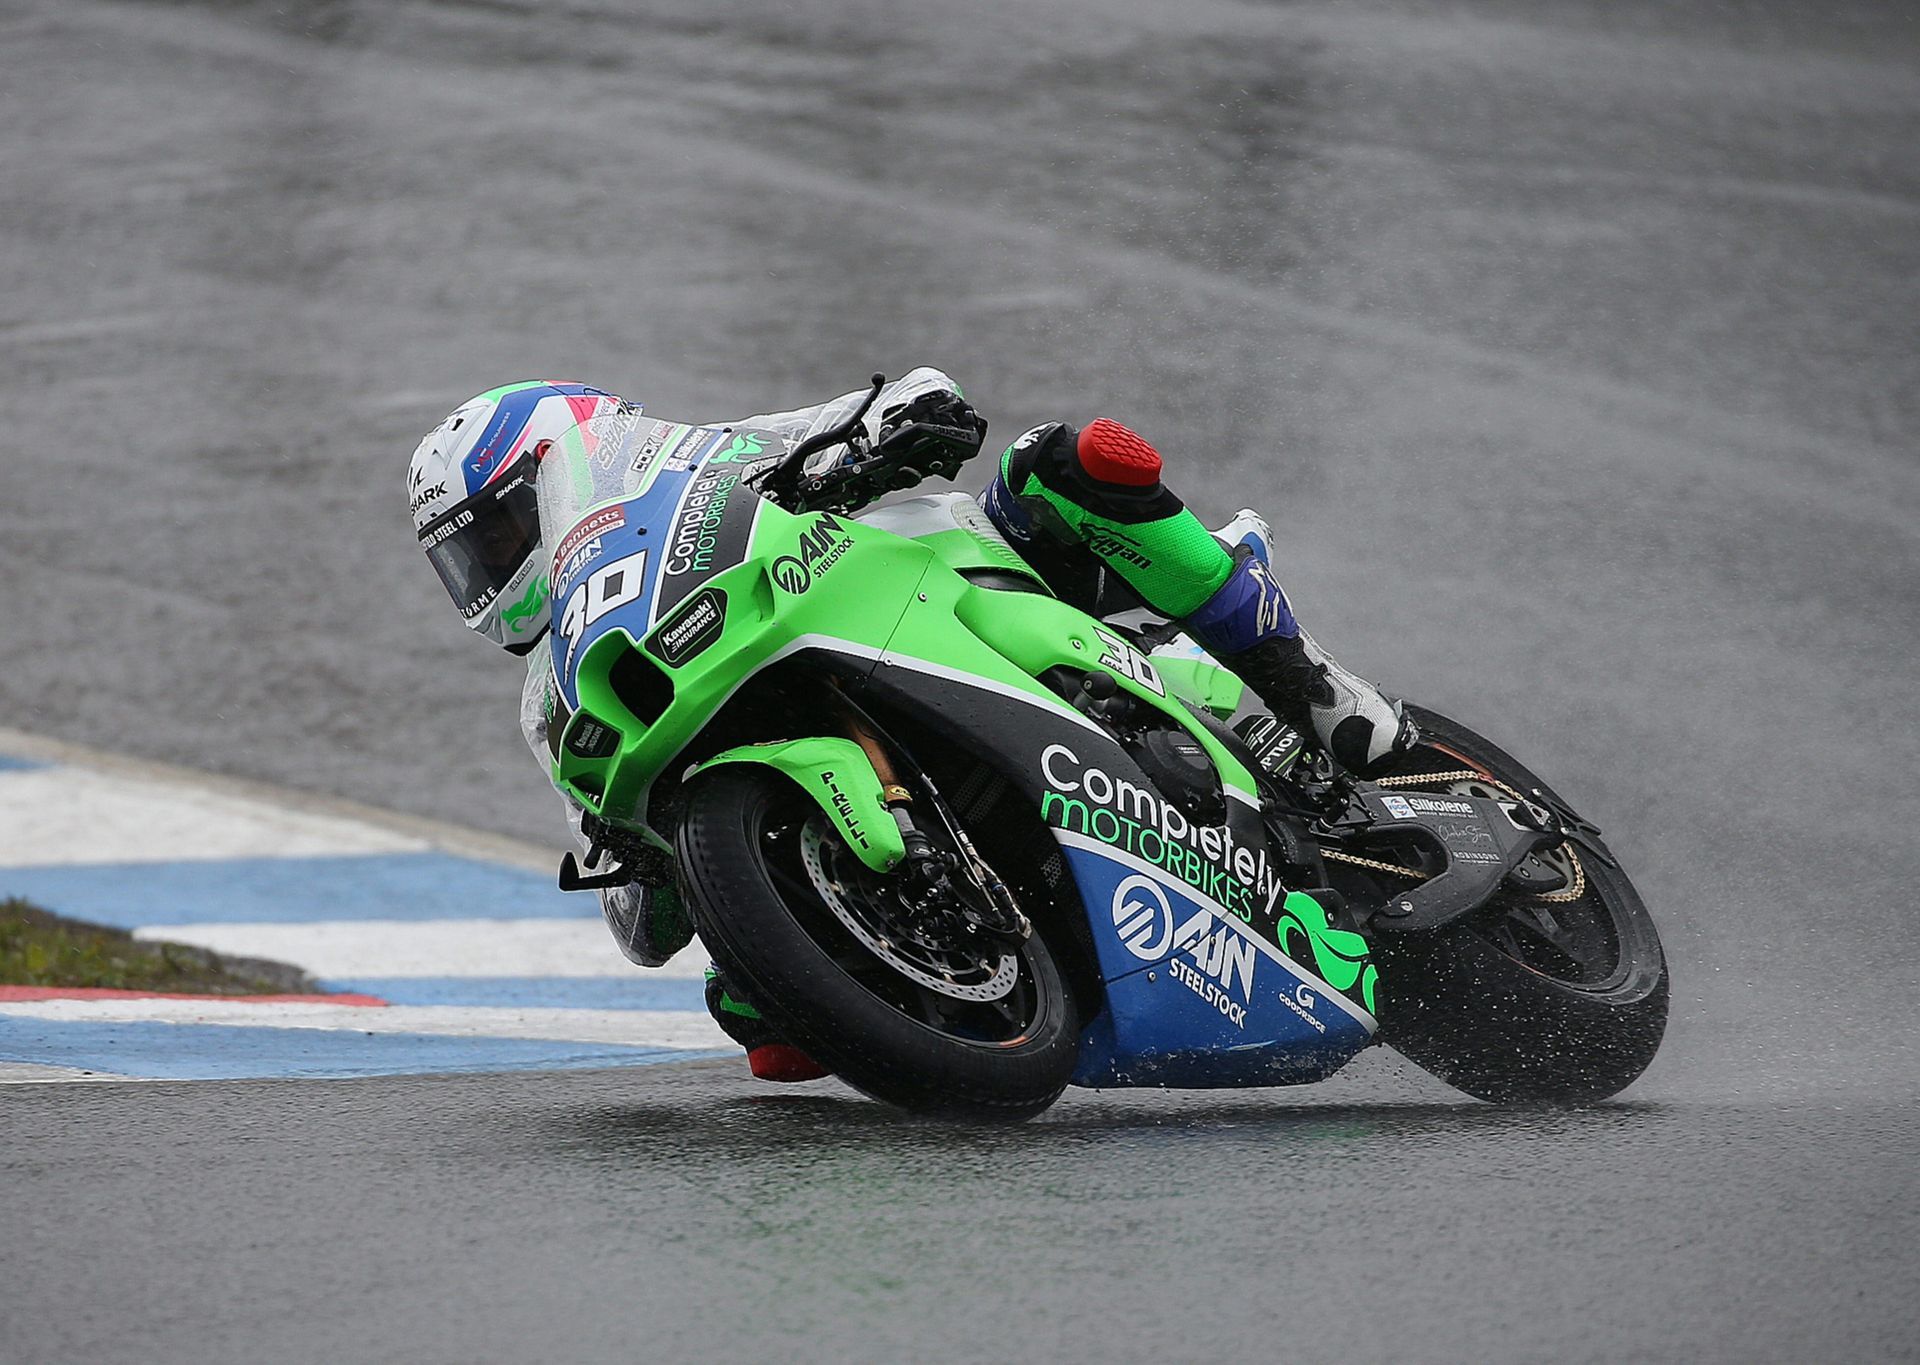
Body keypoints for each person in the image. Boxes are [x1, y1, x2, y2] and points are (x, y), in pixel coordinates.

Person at [406, 370, 1415, 1081]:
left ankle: (1311, 686)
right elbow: (627, 912)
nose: (493, 568)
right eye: (471, 557)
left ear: (552, 467)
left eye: (499, 529)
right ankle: (966, 942)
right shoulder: (554, 698)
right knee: (764, 1029)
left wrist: (900, 422)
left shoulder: (711, 457)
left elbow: (893, 399)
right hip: (775, 733)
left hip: (956, 584)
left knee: (1067, 461)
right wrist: (658, 871)